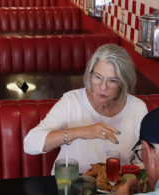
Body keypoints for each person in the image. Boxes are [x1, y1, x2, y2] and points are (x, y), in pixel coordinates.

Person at [23, 44, 148, 173]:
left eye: (112, 80)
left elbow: (143, 161)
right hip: (70, 184)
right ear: (90, 75)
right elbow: (30, 144)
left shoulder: (137, 108)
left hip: (116, 187)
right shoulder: (72, 101)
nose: (103, 87)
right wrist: (80, 132)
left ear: (123, 82)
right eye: (98, 77)